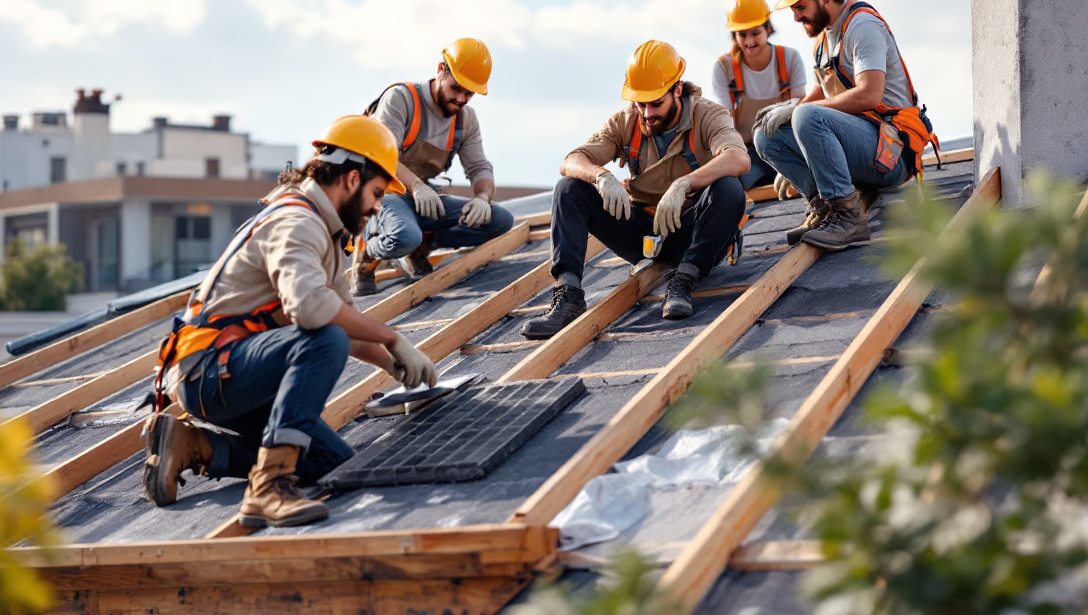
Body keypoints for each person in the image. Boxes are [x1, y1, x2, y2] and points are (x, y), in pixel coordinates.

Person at [143, 115, 440, 528]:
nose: (377, 207)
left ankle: (197, 447)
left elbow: (344, 319)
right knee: (325, 339)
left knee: (330, 463)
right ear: (351, 180)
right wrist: (392, 337)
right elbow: (312, 312)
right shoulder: (296, 221)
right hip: (208, 369)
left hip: (242, 373)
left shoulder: (329, 235)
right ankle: (268, 488)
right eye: (376, 193)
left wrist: (396, 364)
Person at [521, 40, 750, 337]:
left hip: (693, 234)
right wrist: (601, 176)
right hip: (646, 236)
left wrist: (684, 184)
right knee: (569, 189)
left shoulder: (708, 116)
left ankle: (684, 280)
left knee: (729, 189)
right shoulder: (626, 122)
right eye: (641, 103)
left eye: (656, 103)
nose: (647, 113)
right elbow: (572, 161)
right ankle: (569, 296)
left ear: (677, 90)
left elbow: (738, 158)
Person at [753, 0, 939, 252]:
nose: (796, 17)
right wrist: (793, 115)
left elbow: (869, 94)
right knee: (767, 134)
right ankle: (826, 208)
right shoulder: (824, 38)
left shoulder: (862, 27)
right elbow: (820, 92)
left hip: (890, 154)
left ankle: (848, 218)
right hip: (859, 145)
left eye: (800, 7)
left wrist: (799, 112)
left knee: (806, 116)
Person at [353, 38, 515, 295]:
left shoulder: (466, 119)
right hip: (381, 190)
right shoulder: (401, 99)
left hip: (422, 196)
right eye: (456, 89)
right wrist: (416, 186)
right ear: (441, 70)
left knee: (500, 219)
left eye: (469, 93)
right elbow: (382, 156)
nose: (461, 99)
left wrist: (483, 197)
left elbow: (479, 166)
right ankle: (367, 252)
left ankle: (424, 243)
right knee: (404, 236)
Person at [709, 0, 808, 190]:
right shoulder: (724, 68)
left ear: (768, 29)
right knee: (733, 186)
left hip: (788, 147)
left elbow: (801, 106)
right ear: (734, 36)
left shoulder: (789, 59)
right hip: (748, 155)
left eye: (755, 33)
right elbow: (723, 120)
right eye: (742, 35)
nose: (749, 41)